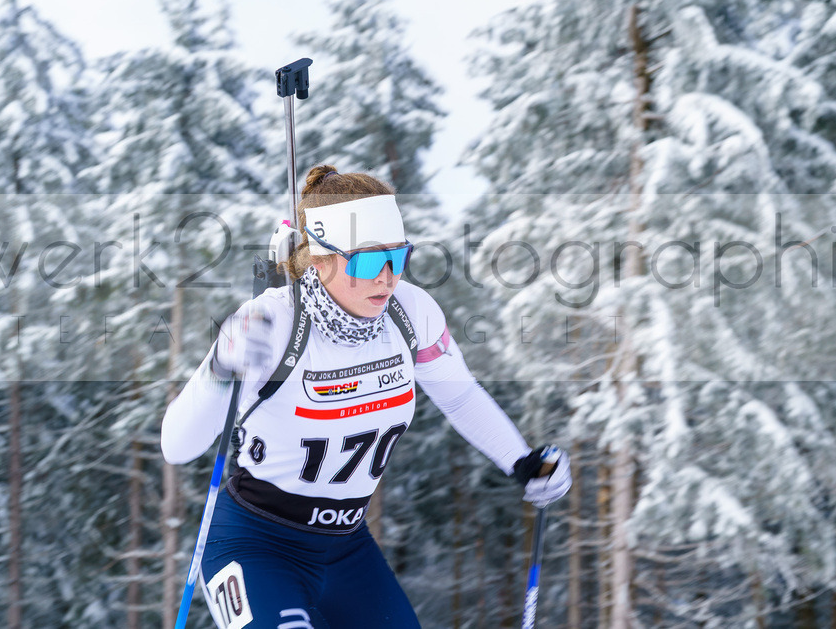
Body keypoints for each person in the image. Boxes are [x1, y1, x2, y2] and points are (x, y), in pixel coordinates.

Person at [161, 164, 571, 628]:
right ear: (320, 260)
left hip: (347, 547)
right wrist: (219, 371)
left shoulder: (410, 314)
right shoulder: (273, 324)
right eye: (369, 262)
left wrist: (521, 461)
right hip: (255, 544)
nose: (387, 278)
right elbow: (177, 447)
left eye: (398, 256)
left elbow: (459, 397)